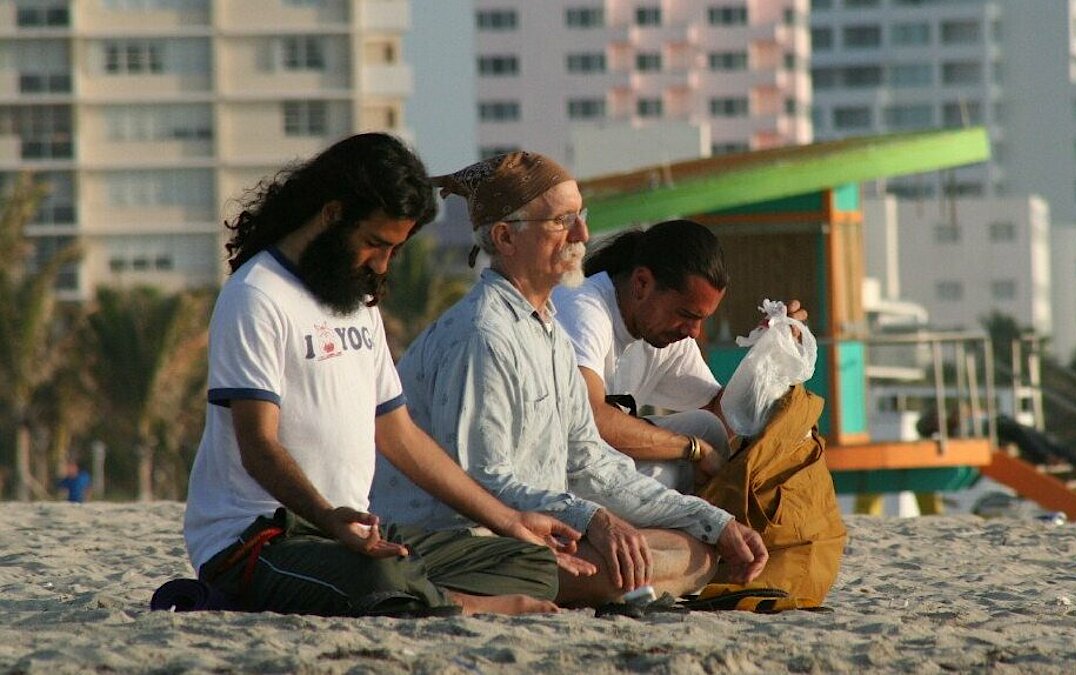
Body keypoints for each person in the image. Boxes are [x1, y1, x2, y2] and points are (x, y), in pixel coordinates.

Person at [183, 133, 590, 619]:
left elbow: (397, 434)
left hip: (355, 531)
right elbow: (258, 446)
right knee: (375, 577)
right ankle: (460, 603)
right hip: (263, 538)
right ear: (332, 215)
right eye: (374, 243)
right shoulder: (257, 296)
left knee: (530, 560)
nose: (381, 263)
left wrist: (509, 519)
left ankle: (419, 589)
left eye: (393, 250)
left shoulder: (356, 298)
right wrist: (330, 520)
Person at [369, 151, 768, 607]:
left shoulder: (550, 333)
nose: (582, 235)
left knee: (694, 550)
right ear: (506, 237)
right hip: (455, 539)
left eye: (581, 217)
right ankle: (475, 593)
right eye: (562, 221)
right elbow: (480, 481)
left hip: (531, 531)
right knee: (656, 564)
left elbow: (589, 461)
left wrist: (712, 520)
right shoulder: (482, 335)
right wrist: (594, 519)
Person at [551, 220, 808, 492]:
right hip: (550, 473)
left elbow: (723, 418)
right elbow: (587, 419)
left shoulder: (666, 335)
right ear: (641, 284)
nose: (694, 332)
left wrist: (767, 356)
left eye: (701, 319)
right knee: (670, 477)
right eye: (686, 315)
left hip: (596, 466)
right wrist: (691, 449)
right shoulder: (583, 308)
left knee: (706, 427)